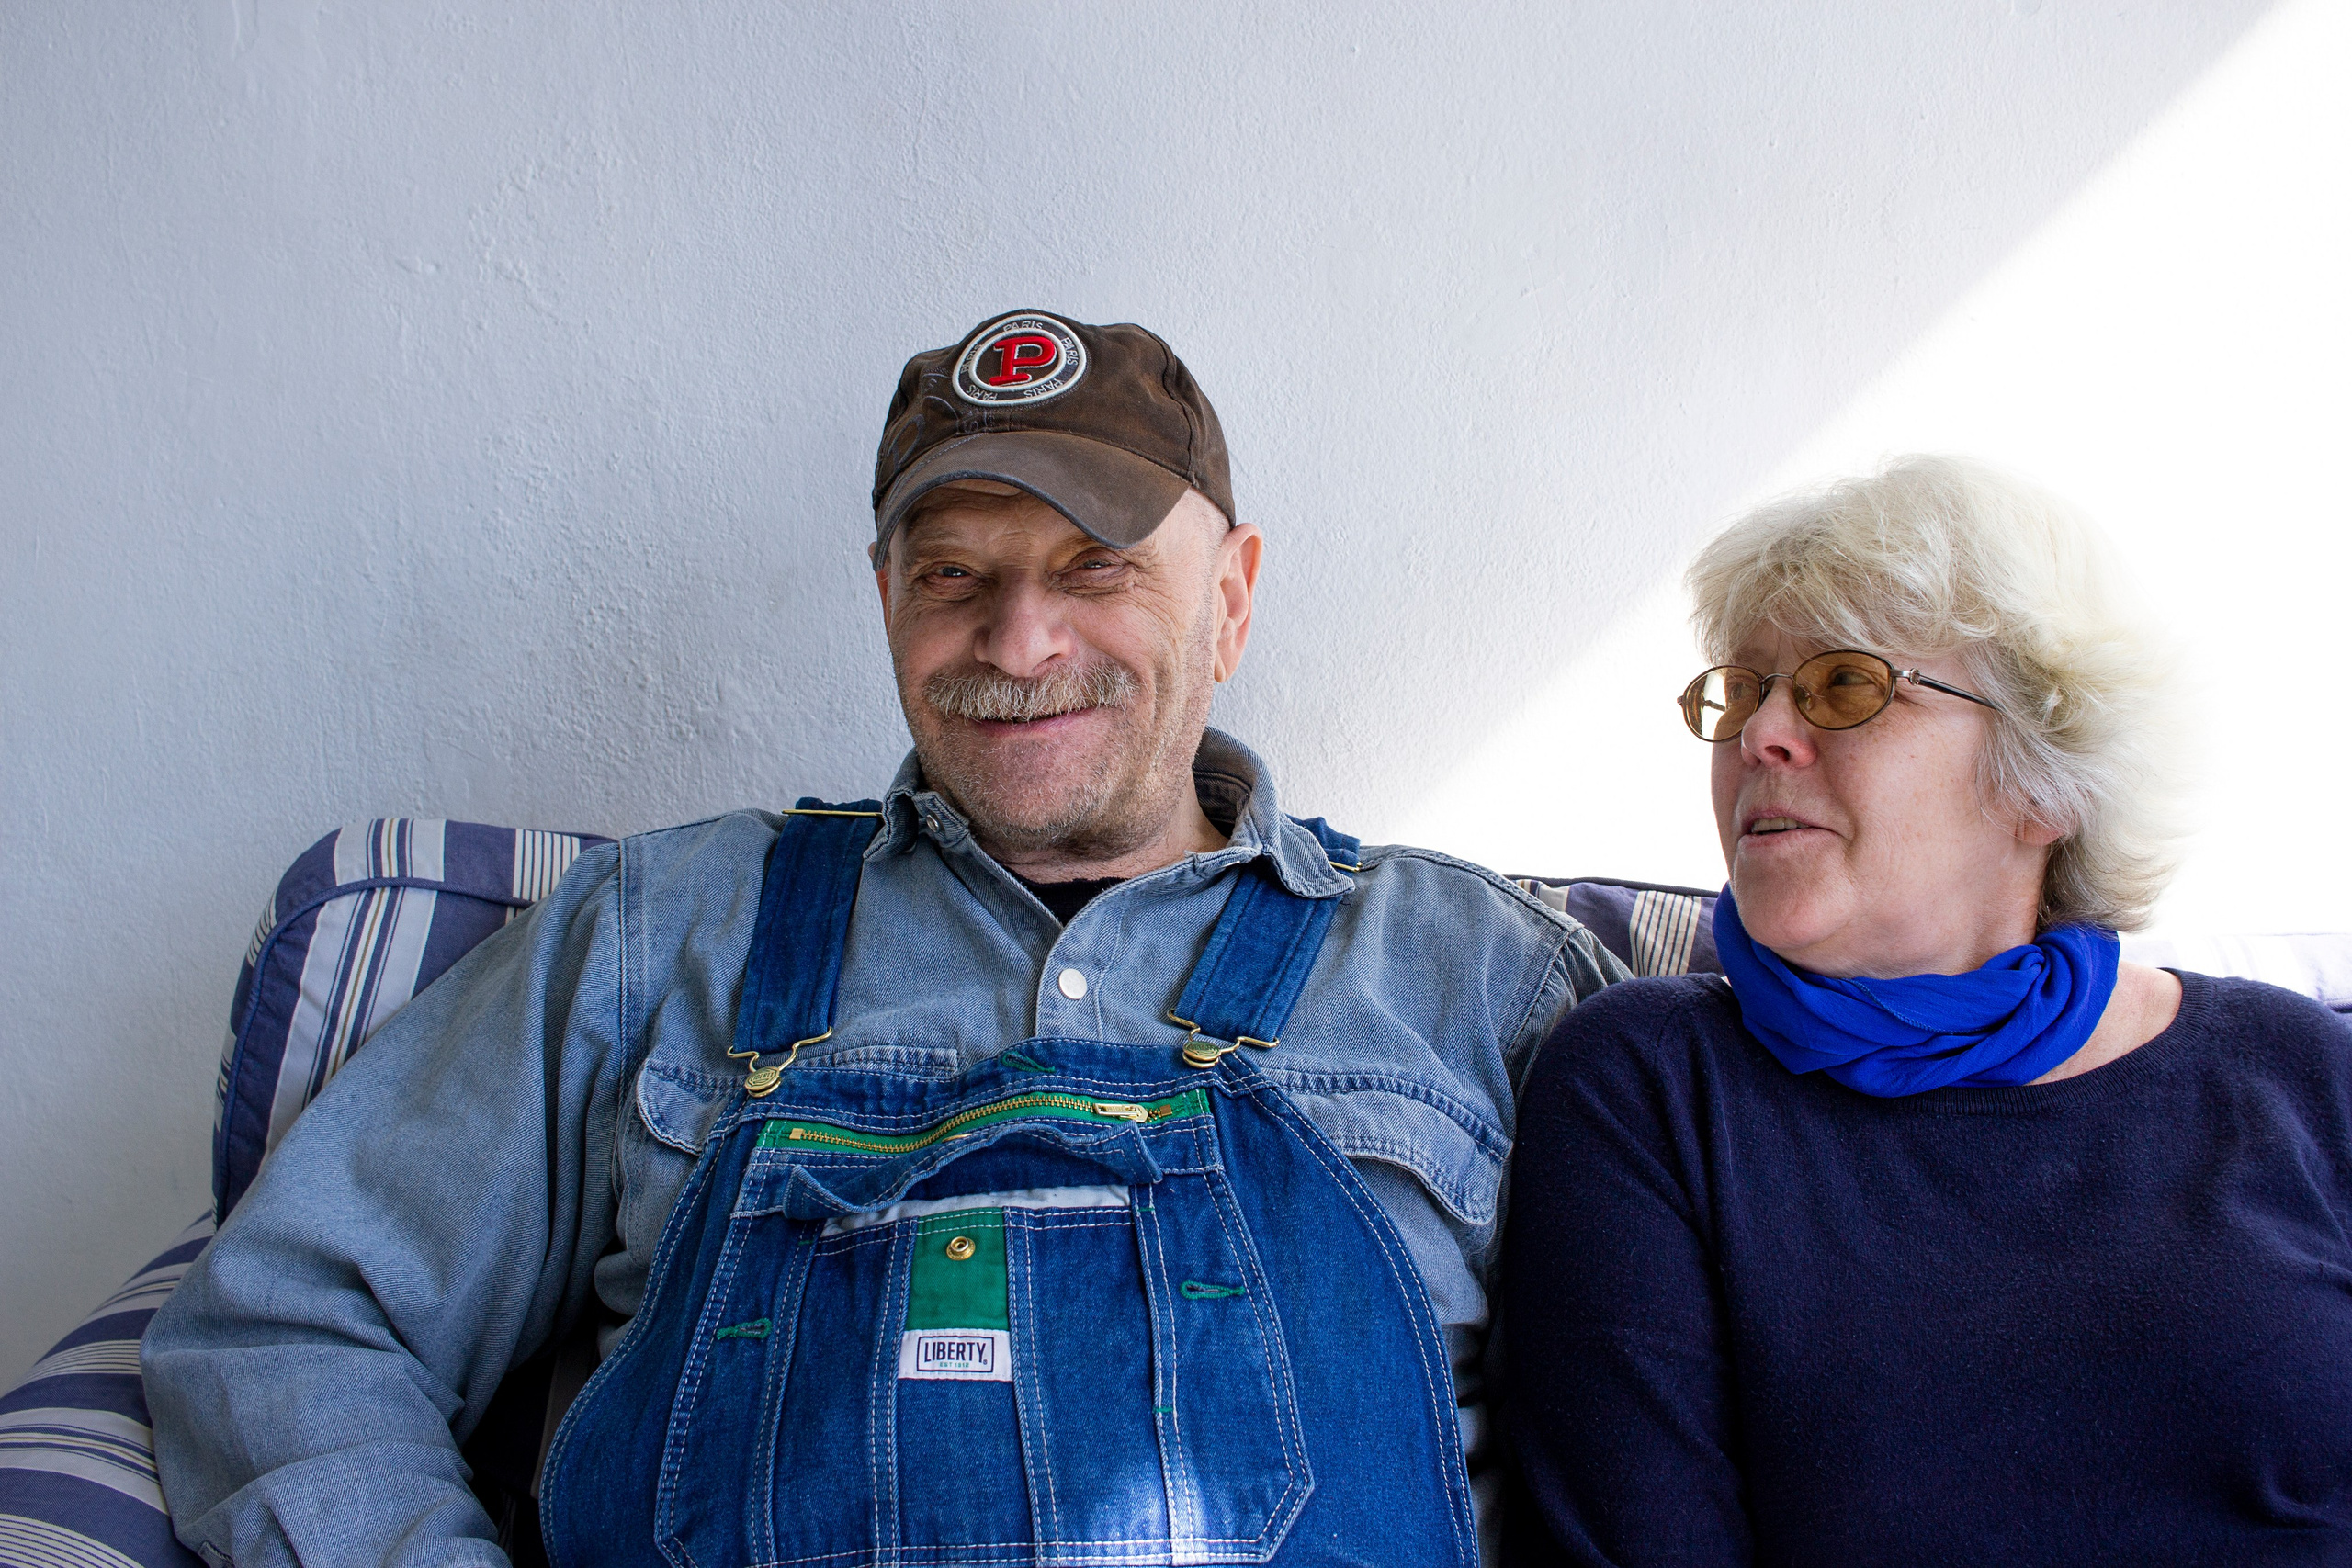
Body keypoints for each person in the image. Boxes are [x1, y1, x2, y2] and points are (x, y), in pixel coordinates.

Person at [143, 308, 1625, 1568]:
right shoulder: (663, 931)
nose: (1019, 640)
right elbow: (290, 1326)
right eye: (953, 575)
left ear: (1229, 598)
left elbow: (1668, 1447)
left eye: (1095, 568)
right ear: (885, 599)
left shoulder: (1475, 969)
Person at [1501, 455, 2352, 1565]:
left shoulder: (2304, 1073)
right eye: (1743, 688)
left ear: (2043, 779)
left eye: (1840, 685)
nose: (1759, 734)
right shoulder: (1650, 1082)